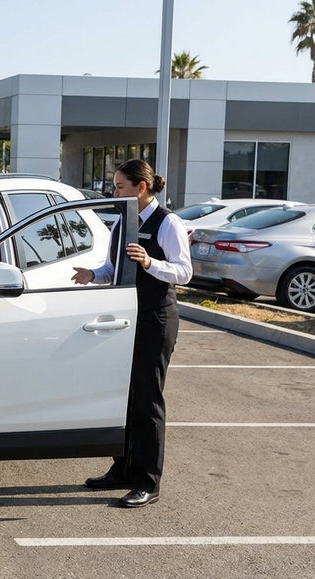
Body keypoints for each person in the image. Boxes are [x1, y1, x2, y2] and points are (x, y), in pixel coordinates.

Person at [72, 159, 192, 508]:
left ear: (142, 188)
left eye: (120, 186)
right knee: (125, 398)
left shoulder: (167, 222)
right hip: (126, 318)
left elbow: (184, 272)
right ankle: (122, 469)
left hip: (155, 318)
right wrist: (93, 275)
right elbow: (114, 267)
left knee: (148, 401)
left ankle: (147, 481)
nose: (114, 192)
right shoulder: (123, 221)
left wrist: (151, 263)